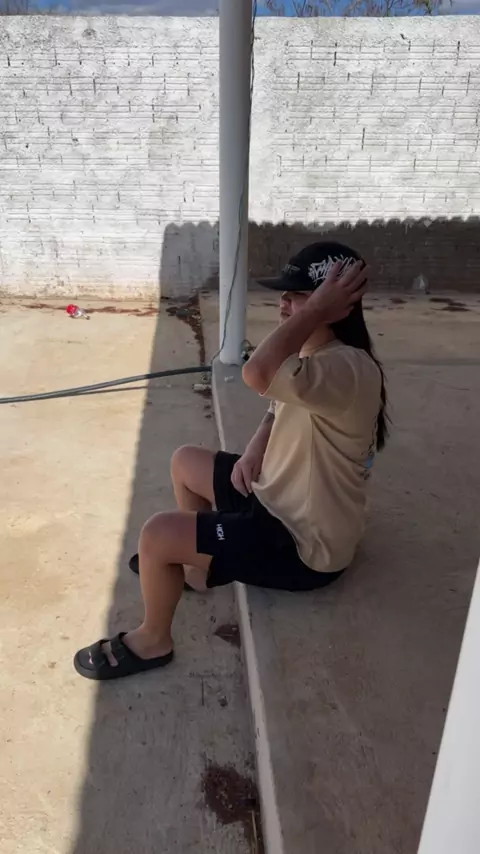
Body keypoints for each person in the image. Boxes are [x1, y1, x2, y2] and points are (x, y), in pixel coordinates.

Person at [74, 241, 388, 681]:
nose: (284, 303)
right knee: (185, 462)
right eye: (286, 295)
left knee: (157, 535)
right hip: (275, 495)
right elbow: (280, 399)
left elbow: (256, 373)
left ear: (337, 303)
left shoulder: (348, 369)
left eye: (299, 295)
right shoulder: (316, 354)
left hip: (302, 544)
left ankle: (153, 640)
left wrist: (316, 310)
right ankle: (198, 570)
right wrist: (258, 444)